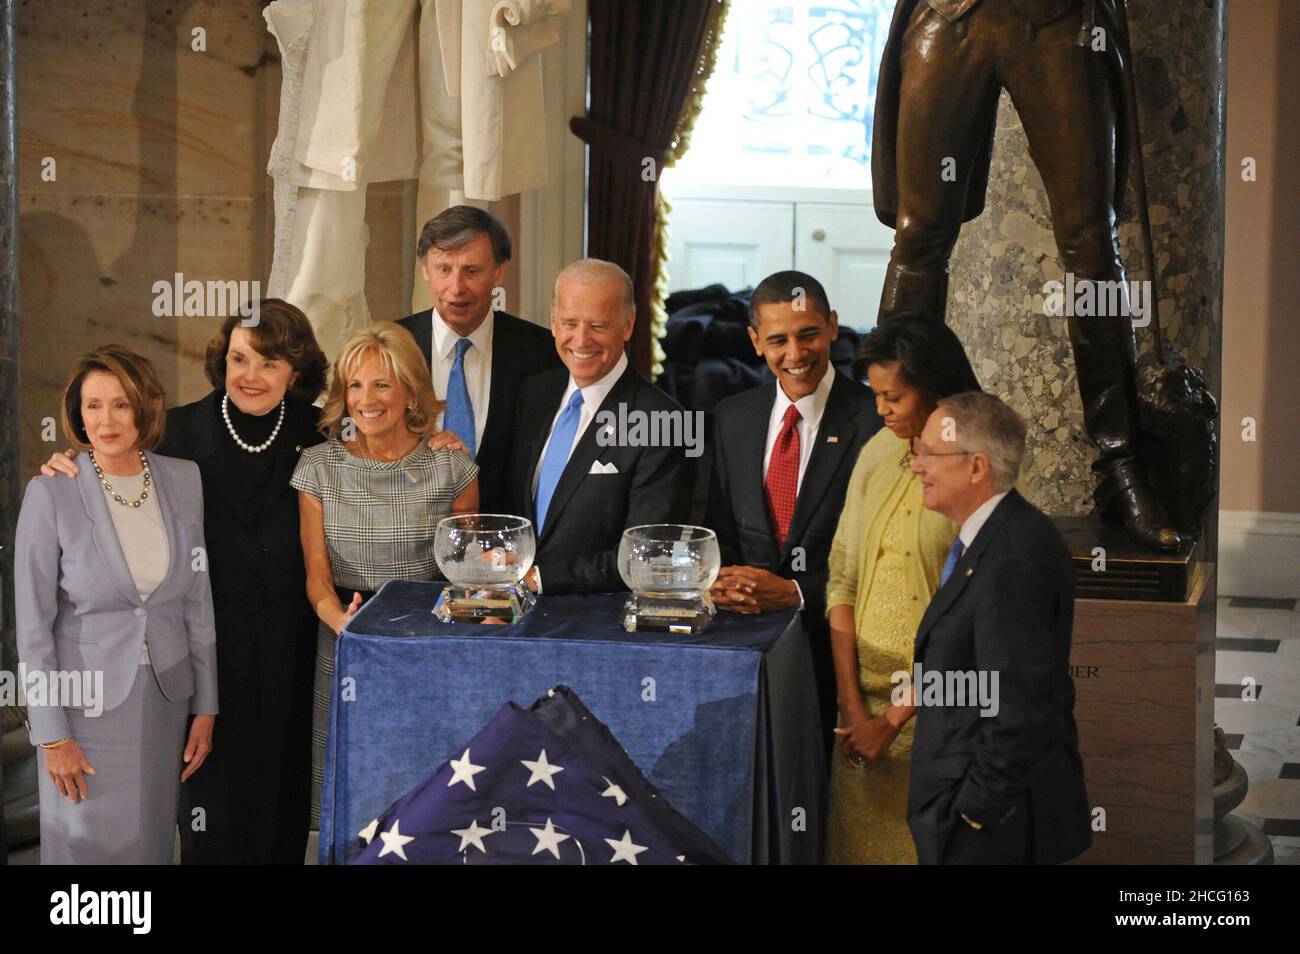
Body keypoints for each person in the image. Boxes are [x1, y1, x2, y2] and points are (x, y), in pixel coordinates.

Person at [871, 0, 1179, 549]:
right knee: (918, 236)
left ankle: (1121, 465)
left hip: (1058, 18)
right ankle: (896, 450)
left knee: (1091, 245)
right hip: (950, 14)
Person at [40, 301, 329, 864]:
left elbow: (384, 445)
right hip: (199, 662)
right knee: (208, 816)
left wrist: (439, 442)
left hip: (288, 656)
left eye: (270, 364)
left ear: (295, 372)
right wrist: (65, 464)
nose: (251, 376)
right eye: (240, 359)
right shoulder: (175, 431)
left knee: (282, 806)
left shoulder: (317, 430)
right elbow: (109, 463)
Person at [16, 346, 218, 864]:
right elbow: (33, 626)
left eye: (121, 405)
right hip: (82, 709)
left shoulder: (183, 478)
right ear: (77, 414)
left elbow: (197, 599)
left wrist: (206, 704)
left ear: (145, 409)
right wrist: (51, 734)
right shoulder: (51, 492)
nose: (106, 420)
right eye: (93, 406)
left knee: (149, 845)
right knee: (83, 851)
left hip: (165, 700)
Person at [292, 322, 479, 824]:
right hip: (346, 645)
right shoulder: (317, 467)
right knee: (350, 796)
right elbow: (316, 577)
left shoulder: (453, 467)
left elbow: (470, 579)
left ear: (410, 389)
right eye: (355, 385)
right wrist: (344, 625)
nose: (366, 399)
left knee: (426, 801)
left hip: (429, 649)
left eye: (382, 383)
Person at [823, 314, 982, 865]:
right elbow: (841, 580)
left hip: (936, 713)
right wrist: (852, 707)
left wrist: (895, 718)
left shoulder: (980, 471)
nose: (881, 409)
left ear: (935, 388)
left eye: (894, 396)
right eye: (875, 395)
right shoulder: (874, 455)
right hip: (860, 714)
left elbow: (977, 617)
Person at [906, 391, 1090, 864]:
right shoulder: (996, 536)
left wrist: (972, 814)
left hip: (997, 831)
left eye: (929, 453)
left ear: (976, 467)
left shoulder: (1011, 557)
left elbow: (1019, 710)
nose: (917, 466)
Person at [705, 270, 883, 759]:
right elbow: (718, 527)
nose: (796, 354)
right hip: (746, 653)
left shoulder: (876, 421)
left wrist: (799, 591)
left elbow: (883, 555)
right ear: (755, 342)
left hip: (844, 657)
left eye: (808, 334)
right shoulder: (731, 416)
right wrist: (724, 582)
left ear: (832, 327)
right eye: (778, 340)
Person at [507, 259, 692, 594]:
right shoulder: (533, 393)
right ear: (552, 322)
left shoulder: (663, 422)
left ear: (628, 325)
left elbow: (647, 553)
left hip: (599, 621)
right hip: (514, 613)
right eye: (569, 323)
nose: (581, 339)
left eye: (598, 326)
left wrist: (539, 579)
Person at [397, 205, 562, 510]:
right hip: (407, 540)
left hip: (508, 543)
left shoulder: (544, 354)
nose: (456, 288)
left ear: (499, 272)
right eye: (443, 269)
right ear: (425, 270)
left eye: (471, 271)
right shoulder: (391, 347)